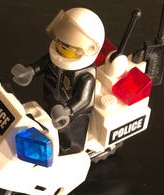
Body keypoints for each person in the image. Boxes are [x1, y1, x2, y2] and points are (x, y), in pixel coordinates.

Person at [11, 7, 105, 155]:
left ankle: (68, 151)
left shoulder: (86, 75)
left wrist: (66, 111)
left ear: (90, 49)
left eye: (67, 49)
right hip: (51, 100)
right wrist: (30, 71)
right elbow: (42, 64)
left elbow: (83, 100)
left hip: (72, 114)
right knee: (47, 123)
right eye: (60, 42)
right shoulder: (54, 57)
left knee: (67, 134)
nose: (60, 49)